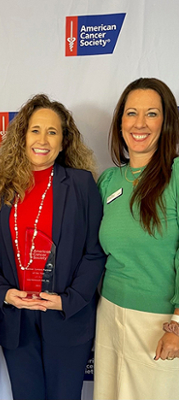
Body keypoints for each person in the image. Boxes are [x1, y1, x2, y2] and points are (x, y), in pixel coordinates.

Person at [0, 94, 106, 400]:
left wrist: (69, 300)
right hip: (17, 322)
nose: (43, 139)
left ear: (64, 142)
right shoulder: (0, 192)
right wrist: (5, 294)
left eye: (53, 132)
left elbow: (95, 253)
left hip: (66, 319)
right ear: (22, 137)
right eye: (35, 130)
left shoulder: (81, 185)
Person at [94, 77, 179, 400]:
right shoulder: (108, 180)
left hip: (159, 323)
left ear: (167, 121)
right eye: (131, 113)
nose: (139, 123)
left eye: (152, 114)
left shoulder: (176, 175)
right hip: (110, 316)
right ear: (119, 123)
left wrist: (177, 323)